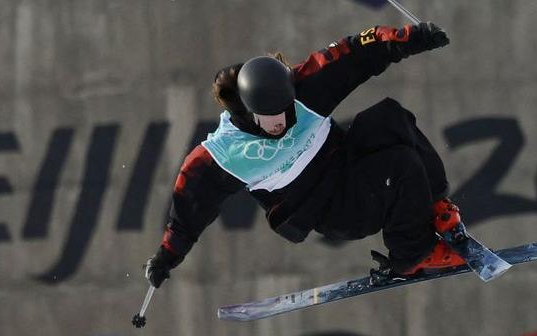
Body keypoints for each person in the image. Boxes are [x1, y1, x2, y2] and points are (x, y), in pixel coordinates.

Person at [144, 22, 465, 291]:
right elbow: (189, 208)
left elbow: (355, 51)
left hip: (349, 167)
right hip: (334, 211)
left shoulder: (306, 89)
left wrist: (408, 39)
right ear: (249, 111)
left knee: (390, 118)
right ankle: (412, 256)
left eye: (285, 109)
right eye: (269, 116)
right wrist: (166, 256)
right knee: (400, 165)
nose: (281, 122)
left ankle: (435, 209)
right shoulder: (226, 154)